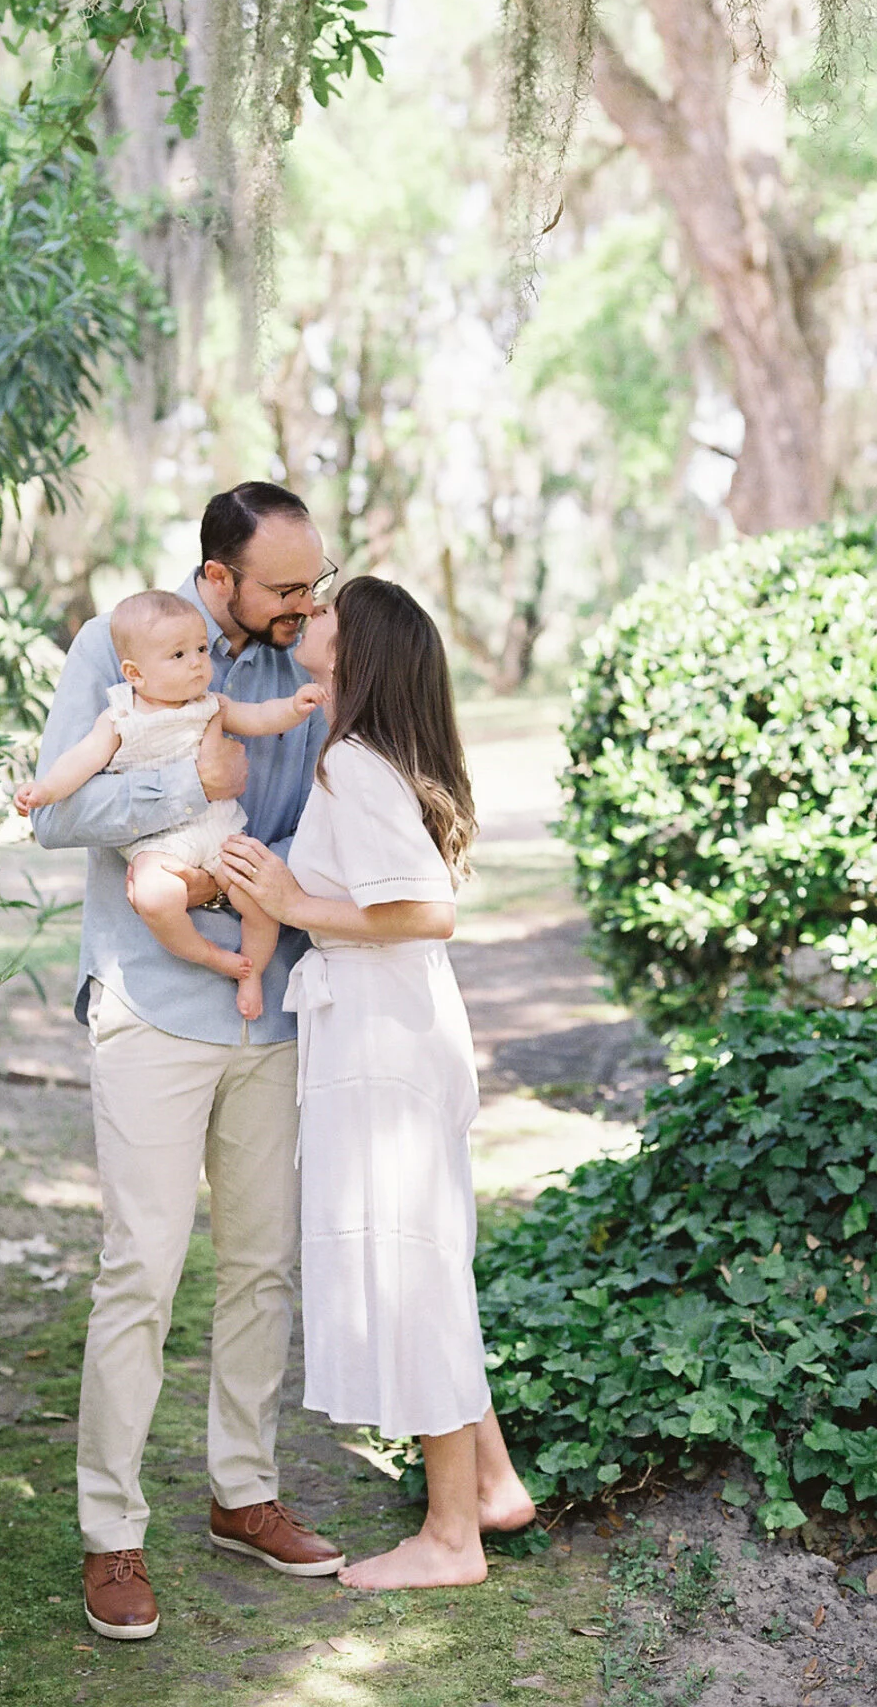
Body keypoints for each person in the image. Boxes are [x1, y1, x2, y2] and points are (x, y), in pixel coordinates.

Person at [29, 483, 345, 1642]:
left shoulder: (307, 657)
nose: (303, 604)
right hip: (153, 1003)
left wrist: (255, 874)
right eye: (282, 586)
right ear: (217, 577)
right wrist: (191, 791)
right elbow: (57, 814)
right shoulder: (114, 646)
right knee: (142, 1272)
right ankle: (111, 1534)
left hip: (274, 999)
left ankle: (242, 1492)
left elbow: (326, 806)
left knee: (261, 1264)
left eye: (313, 582)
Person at [221, 574, 537, 1590]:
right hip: (389, 1022)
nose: (309, 614)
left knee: (413, 1270)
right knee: (423, 1254)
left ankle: (450, 1538)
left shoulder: (353, 763)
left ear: (357, 648)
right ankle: (490, 1481)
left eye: (327, 610)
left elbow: (427, 909)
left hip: (383, 1038)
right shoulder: (364, 753)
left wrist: (289, 900)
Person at [15, 590, 326, 1020]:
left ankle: (251, 972)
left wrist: (293, 707)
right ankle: (211, 956)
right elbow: (81, 761)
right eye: (178, 655)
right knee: (154, 896)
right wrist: (45, 790)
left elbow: (259, 717)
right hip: (160, 841)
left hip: (219, 830)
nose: (197, 663)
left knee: (257, 898)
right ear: (135, 674)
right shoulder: (121, 716)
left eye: (200, 649)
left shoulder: (210, 705)